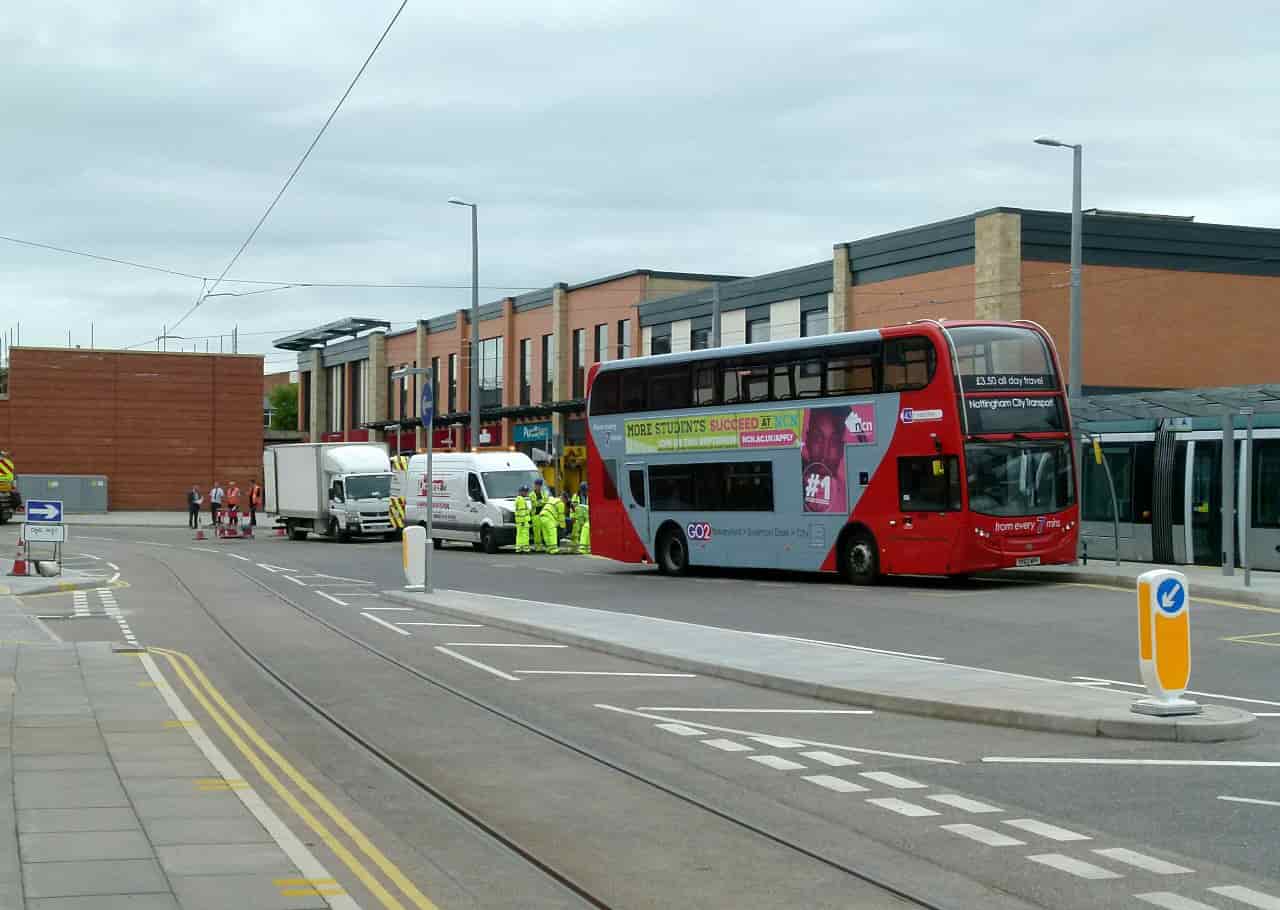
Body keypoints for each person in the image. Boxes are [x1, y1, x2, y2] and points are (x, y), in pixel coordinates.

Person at [529, 477, 547, 553]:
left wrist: (540, 502)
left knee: (544, 531)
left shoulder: (543, 493)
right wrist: (541, 502)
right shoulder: (532, 494)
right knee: (537, 532)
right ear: (534, 485)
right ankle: (537, 546)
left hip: (542, 514)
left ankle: (543, 545)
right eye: (537, 485)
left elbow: (546, 501)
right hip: (535, 515)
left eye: (539, 485)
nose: (538, 486)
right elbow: (534, 504)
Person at [513, 484, 532, 554]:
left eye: (527, 491)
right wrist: (524, 521)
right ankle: (526, 548)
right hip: (523, 521)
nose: (526, 493)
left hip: (519, 521)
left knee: (519, 535)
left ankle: (519, 548)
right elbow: (522, 511)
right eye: (525, 491)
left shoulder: (518, 499)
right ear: (520, 492)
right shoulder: (521, 500)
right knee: (525, 535)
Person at [573, 482, 590, 554]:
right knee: (577, 530)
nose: (585, 492)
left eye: (586, 490)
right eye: (584, 490)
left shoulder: (590, 495)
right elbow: (573, 505)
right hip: (578, 515)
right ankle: (579, 544)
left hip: (587, 515)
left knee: (586, 530)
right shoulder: (576, 496)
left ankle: (585, 546)